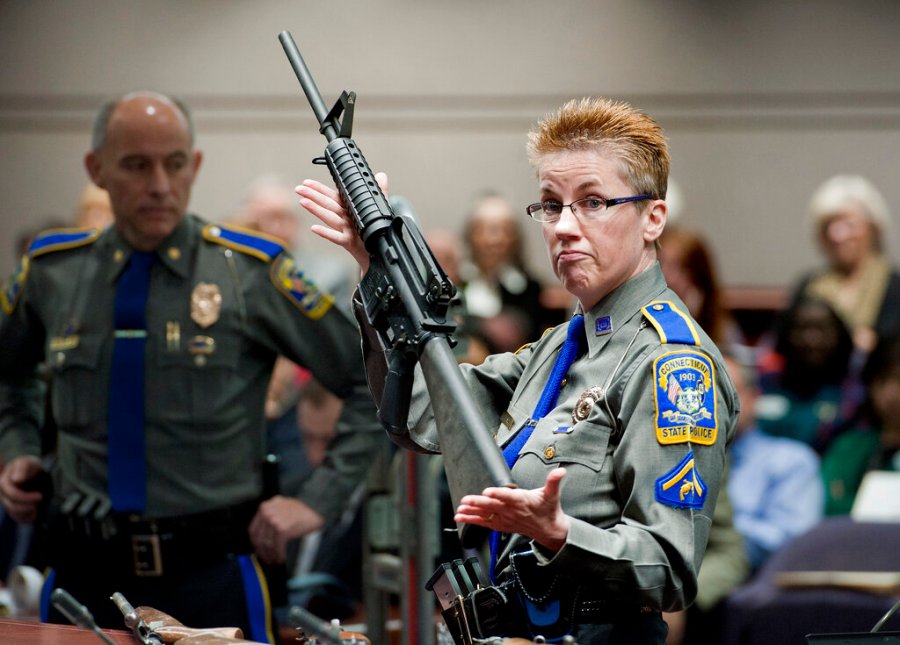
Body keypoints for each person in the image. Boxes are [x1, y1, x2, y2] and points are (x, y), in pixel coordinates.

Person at [298, 96, 740, 644]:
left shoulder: (671, 364)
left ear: (653, 218)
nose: (564, 227)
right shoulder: (560, 346)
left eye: (594, 202)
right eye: (551, 205)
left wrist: (558, 532)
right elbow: (424, 414)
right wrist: (377, 272)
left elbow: (669, 570)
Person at [0, 91, 382, 641]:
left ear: (194, 165)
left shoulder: (249, 274)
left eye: (175, 163)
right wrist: (16, 453)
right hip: (83, 571)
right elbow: (8, 376)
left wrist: (314, 501)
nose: (160, 184)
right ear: (97, 169)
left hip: (214, 575)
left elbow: (368, 378)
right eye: (136, 165)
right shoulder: (53, 273)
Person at [726, 354, 824, 571]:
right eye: (703, 394)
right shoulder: (676, 461)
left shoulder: (791, 459)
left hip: (757, 586)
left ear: (754, 397)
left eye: (726, 392)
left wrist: (711, 528)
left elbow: (793, 544)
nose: (715, 404)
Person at [790, 174, 900, 354]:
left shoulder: (894, 286)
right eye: (828, 226)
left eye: (848, 224)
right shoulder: (809, 286)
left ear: (873, 228)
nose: (837, 235)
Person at [459, 192, 566, 353]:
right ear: (471, 234)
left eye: (505, 230)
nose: (496, 240)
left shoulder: (534, 290)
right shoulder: (455, 285)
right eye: (488, 230)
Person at [755, 295, 863, 453]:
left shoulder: (853, 395)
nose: (811, 340)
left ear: (840, 336)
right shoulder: (761, 387)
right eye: (801, 329)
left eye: (821, 329)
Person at [821, 333, 900, 515]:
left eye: (899, 380)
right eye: (882, 380)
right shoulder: (849, 446)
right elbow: (832, 506)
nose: (891, 393)